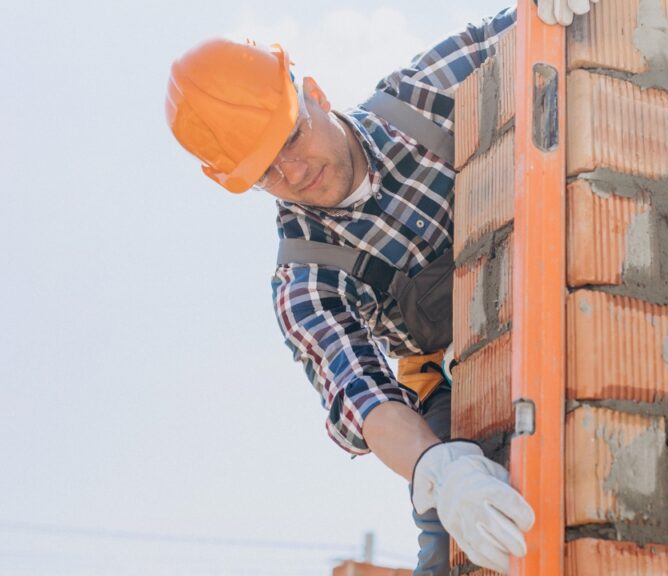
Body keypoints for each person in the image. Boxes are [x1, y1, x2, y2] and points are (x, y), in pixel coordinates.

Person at [164, 1, 596, 574]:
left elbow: (532, 23)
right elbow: (366, 399)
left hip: (562, 286)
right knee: (453, 551)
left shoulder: (425, 95)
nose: (292, 174)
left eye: (291, 138)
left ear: (313, 93)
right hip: (454, 383)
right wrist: (441, 472)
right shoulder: (306, 277)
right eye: (265, 171)